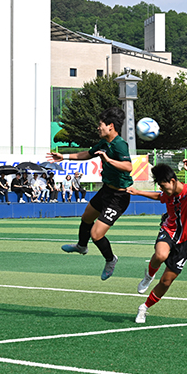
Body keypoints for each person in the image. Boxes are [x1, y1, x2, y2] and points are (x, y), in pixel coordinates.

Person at [48, 106, 133, 280]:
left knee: (96, 234)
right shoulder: (104, 143)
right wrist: (63, 157)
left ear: (110, 126)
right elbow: (88, 154)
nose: (98, 127)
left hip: (119, 197)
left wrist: (108, 160)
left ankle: (110, 259)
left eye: (100, 124)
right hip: (106, 191)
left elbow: (128, 167)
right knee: (86, 217)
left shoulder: (119, 145)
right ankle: (81, 246)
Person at [127, 160, 187, 323]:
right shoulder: (167, 194)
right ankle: (148, 275)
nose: (162, 191)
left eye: (163, 186)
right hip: (169, 230)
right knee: (160, 255)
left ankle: (144, 308)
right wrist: (137, 192)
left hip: (185, 240)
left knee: (166, 281)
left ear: (173, 181)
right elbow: (158, 196)